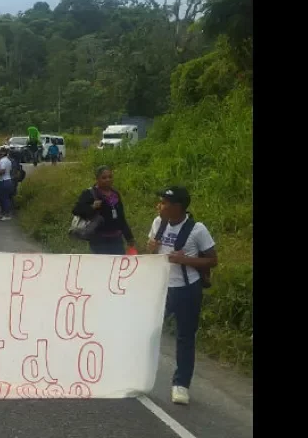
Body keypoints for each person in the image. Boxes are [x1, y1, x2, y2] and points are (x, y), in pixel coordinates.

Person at [146, 186, 218, 406]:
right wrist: (150, 247)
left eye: (164, 202)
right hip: (161, 288)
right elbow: (151, 253)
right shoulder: (158, 223)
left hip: (187, 289)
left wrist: (185, 260)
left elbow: (212, 260)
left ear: (177, 207)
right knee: (148, 331)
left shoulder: (197, 230)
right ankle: (141, 374)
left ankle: (181, 385)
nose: (160, 205)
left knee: (185, 336)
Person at [72, 166, 136, 254]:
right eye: (104, 178)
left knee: (117, 265)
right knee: (103, 266)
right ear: (97, 179)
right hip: (99, 241)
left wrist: (129, 237)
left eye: (110, 177)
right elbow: (76, 210)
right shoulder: (90, 193)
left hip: (116, 240)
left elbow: (121, 217)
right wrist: (92, 207)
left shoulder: (115, 194)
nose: (108, 180)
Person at [0, 146, 14, 221]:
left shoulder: (3, 161)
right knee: (2, 198)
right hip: (6, 180)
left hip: (3, 181)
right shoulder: (8, 160)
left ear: (3, 153)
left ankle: (7, 214)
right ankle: (4, 213)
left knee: (4, 198)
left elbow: (2, 171)